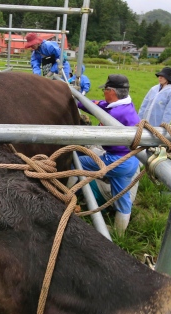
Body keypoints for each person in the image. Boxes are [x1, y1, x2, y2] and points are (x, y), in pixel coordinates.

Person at [76, 74, 140, 235]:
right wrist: (77, 101)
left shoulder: (116, 114)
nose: (104, 93)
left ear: (111, 91)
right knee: (122, 198)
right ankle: (120, 234)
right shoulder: (123, 106)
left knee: (75, 161)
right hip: (129, 161)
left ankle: (67, 196)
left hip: (115, 160)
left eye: (105, 90)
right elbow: (99, 105)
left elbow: (96, 126)